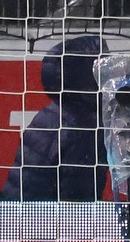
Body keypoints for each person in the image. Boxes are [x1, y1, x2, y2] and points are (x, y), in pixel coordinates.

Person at [2, 35, 109, 201]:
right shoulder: (84, 127)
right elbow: (78, 204)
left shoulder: (55, 112)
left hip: (17, 216)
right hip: (43, 222)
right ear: (89, 78)